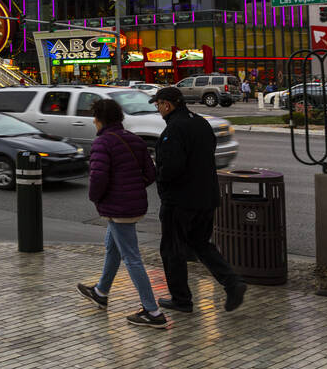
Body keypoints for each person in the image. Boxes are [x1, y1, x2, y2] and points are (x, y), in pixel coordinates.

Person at [150, 86, 247, 314]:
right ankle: (232, 283)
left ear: (167, 104)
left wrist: (160, 180)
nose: (158, 109)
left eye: (158, 105)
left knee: (172, 249)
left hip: (181, 200)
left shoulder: (174, 129)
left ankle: (181, 299)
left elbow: (171, 168)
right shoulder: (201, 123)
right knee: (200, 244)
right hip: (206, 196)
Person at [76, 98, 167, 328]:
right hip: (132, 204)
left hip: (117, 208)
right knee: (112, 247)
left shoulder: (102, 143)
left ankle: (152, 311)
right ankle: (101, 291)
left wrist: (98, 198)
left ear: (99, 120)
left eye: (95, 118)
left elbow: (97, 179)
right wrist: (132, 188)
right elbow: (149, 173)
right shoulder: (134, 140)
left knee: (132, 257)